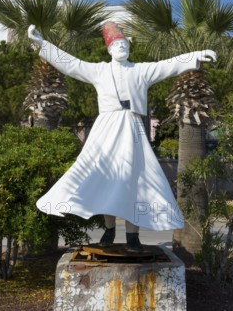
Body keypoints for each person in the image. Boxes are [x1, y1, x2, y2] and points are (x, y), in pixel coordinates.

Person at [28, 22, 216, 251]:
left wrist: (195, 56)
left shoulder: (141, 70)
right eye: (116, 44)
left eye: (124, 43)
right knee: (106, 180)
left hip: (133, 127)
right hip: (106, 128)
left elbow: (168, 65)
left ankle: (132, 236)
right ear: (109, 49)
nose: (121, 47)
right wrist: (43, 45)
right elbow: (72, 64)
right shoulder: (99, 71)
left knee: (135, 182)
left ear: (129, 47)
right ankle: (109, 229)